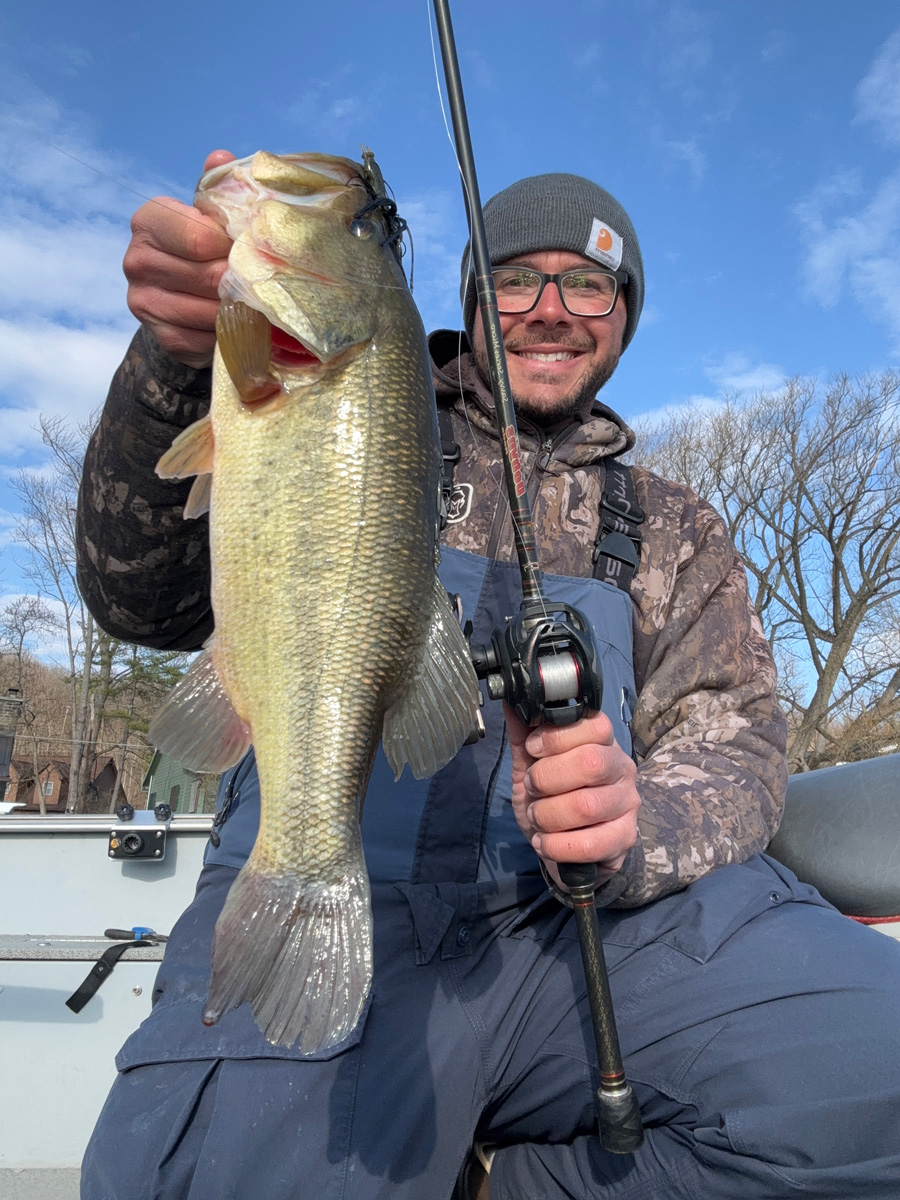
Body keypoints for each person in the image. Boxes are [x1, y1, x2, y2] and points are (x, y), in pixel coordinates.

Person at [76, 153, 900, 1200]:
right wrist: (176, 362)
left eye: (588, 284)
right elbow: (136, 598)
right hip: (344, 894)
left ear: (623, 315)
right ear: (467, 300)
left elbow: (736, 738)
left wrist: (633, 820)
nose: (552, 310)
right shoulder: (345, 402)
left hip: (591, 927)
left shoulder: (676, 525)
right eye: (516, 280)